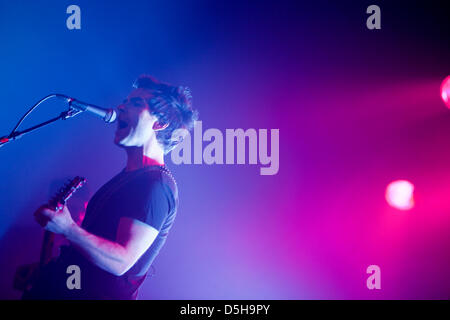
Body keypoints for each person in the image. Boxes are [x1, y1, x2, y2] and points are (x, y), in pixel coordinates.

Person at [25, 75, 198, 299]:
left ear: (159, 123)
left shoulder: (156, 185)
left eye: (136, 103)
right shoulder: (132, 177)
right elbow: (86, 266)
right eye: (125, 101)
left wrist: (68, 229)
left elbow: (121, 261)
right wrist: (52, 276)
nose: (121, 107)